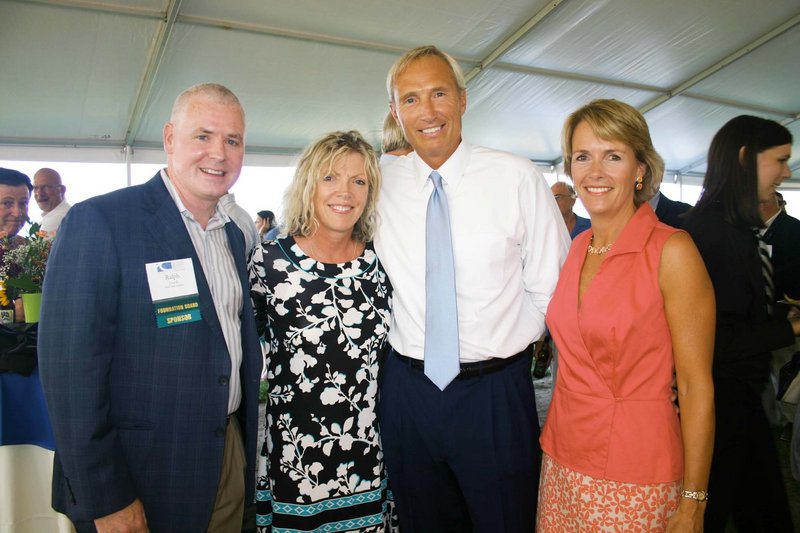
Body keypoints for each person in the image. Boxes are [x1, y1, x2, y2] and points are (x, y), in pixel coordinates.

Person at [38, 83, 263, 533]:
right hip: (139, 473)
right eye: (203, 136)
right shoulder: (101, 223)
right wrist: (107, 498)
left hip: (224, 455)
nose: (219, 153)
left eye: (232, 140)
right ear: (169, 138)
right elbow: (70, 376)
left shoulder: (233, 236)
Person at [375, 45, 570, 532]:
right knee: (422, 521)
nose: (429, 111)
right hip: (408, 392)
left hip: (494, 394)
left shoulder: (517, 176)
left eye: (440, 93)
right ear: (396, 113)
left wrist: (513, 352)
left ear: (463, 100)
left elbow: (554, 286)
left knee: (504, 519)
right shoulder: (378, 181)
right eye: (412, 99)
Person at [538, 99, 716, 532]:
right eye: (583, 157)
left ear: (640, 169)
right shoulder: (578, 246)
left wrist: (693, 504)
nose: (595, 172)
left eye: (612, 156)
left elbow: (696, 387)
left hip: (636, 471)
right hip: (561, 458)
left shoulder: (672, 251)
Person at [248, 130, 396, 532]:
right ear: (309, 184)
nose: (344, 192)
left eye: (359, 180)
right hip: (297, 462)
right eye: (330, 177)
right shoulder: (269, 263)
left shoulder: (382, 261)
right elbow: (243, 348)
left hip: (370, 454)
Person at [682, 115, 799, 532]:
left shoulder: (733, 228)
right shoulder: (711, 235)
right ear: (746, 158)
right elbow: (716, 339)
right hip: (721, 404)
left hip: (740, 397)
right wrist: (792, 330)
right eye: (780, 160)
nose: (787, 172)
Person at [33, 167, 70, 236]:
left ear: (61, 190)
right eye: (36, 188)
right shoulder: (50, 216)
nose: (39, 193)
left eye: (45, 187)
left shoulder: (61, 218)